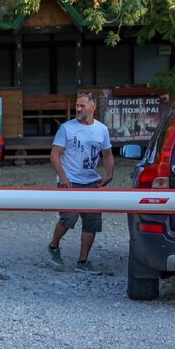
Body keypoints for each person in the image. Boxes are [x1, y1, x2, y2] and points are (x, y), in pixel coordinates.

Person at [47, 92, 114, 274]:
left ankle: (82, 261)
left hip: (91, 181)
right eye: (77, 105)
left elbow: (107, 154)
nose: (78, 109)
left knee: (92, 221)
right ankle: (53, 246)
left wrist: (109, 174)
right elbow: (54, 154)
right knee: (69, 216)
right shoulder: (67, 128)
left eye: (82, 106)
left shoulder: (101, 129)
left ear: (92, 107)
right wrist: (62, 177)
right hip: (70, 180)